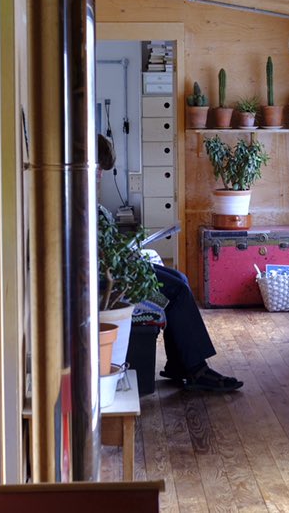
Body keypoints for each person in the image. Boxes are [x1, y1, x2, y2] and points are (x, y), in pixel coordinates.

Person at [97, 134, 243, 392]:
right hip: (111, 278)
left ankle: (179, 365)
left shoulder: (82, 198)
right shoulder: (78, 201)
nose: (100, 176)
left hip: (116, 268)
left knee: (181, 279)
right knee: (177, 291)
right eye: (98, 169)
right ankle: (196, 370)